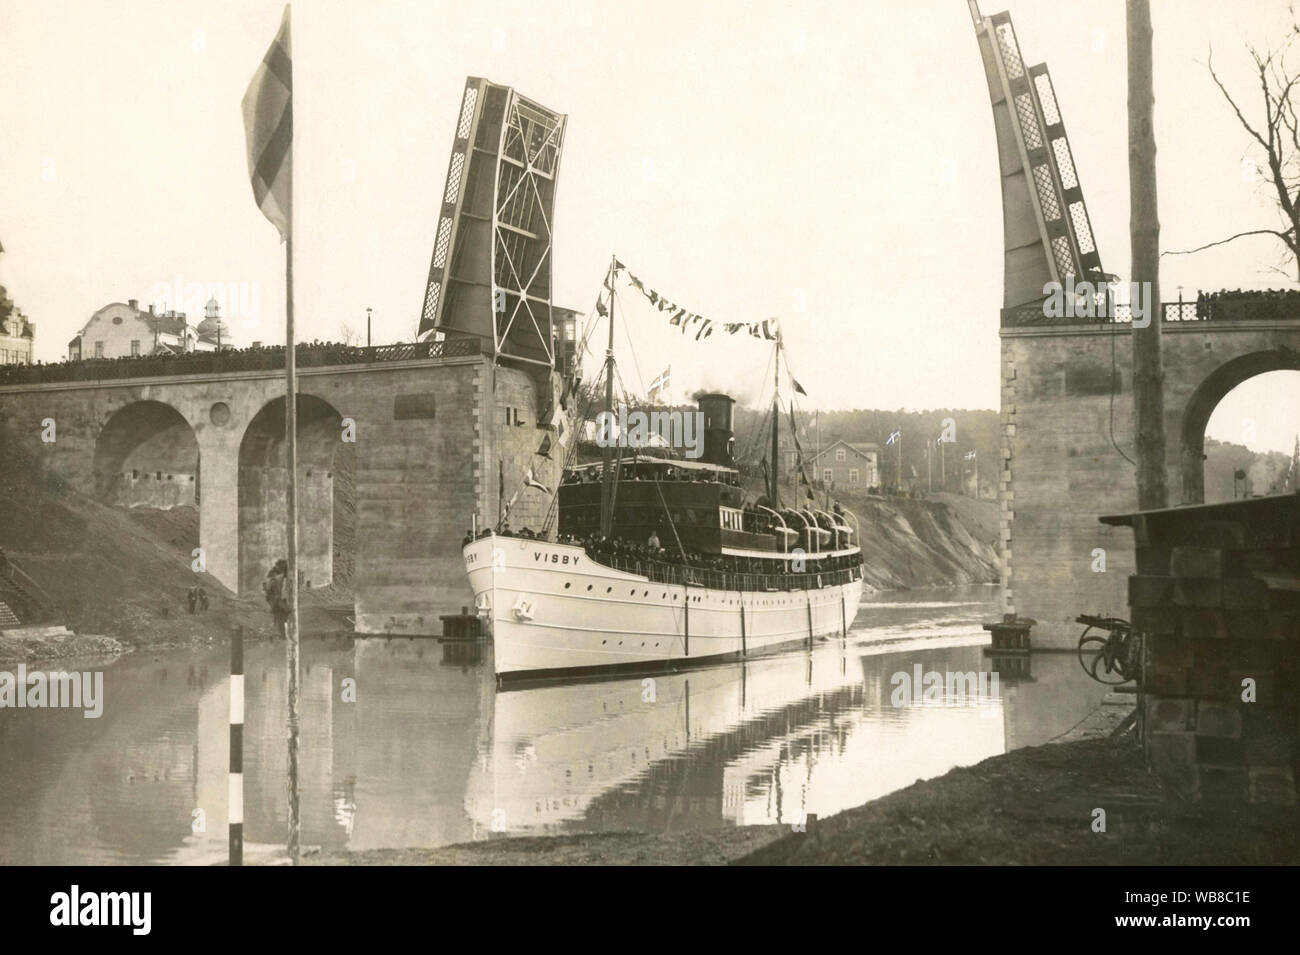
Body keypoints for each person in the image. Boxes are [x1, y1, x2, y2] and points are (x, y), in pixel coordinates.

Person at [263, 559, 291, 639]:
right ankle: (281, 635)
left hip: (277, 601)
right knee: (281, 618)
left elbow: (269, 591)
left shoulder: (275, 578)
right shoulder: (278, 578)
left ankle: (281, 635)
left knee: (280, 618)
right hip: (279, 602)